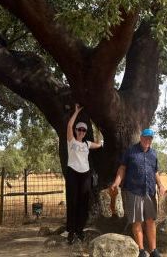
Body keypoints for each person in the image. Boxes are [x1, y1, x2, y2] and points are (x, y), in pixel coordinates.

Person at [110, 128, 167, 257]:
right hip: (134, 190)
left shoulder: (153, 154)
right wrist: (116, 182)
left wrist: (161, 185)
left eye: (150, 138)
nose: (148, 140)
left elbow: (155, 172)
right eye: (146, 137)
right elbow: (122, 168)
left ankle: (153, 250)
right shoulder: (131, 151)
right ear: (141, 138)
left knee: (151, 221)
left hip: (150, 191)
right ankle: (141, 250)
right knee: (137, 221)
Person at [65, 104, 102, 244]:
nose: (81, 131)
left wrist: (98, 128)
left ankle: (80, 230)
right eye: (79, 129)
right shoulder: (71, 141)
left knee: (83, 203)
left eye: (83, 130)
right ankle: (71, 231)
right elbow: (69, 126)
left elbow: (99, 144)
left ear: (86, 132)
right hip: (73, 173)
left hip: (85, 174)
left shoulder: (87, 144)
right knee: (72, 201)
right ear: (75, 131)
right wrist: (76, 112)